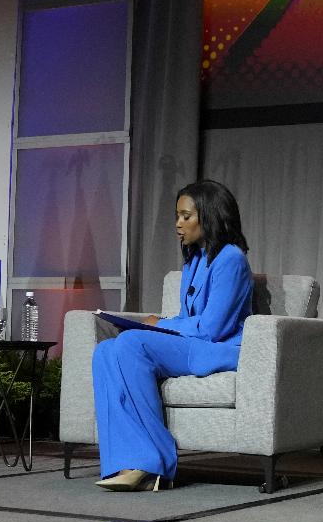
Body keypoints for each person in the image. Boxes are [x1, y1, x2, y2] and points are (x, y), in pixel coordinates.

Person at [91, 180, 253, 491]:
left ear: (210, 216)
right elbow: (188, 318)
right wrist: (161, 322)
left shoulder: (231, 258)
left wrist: (159, 325)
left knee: (132, 343)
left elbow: (212, 328)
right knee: (106, 351)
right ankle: (125, 461)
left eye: (186, 216)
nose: (178, 224)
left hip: (219, 348)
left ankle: (153, 462)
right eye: (177, 216)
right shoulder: (193, 260)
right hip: (193, 344)